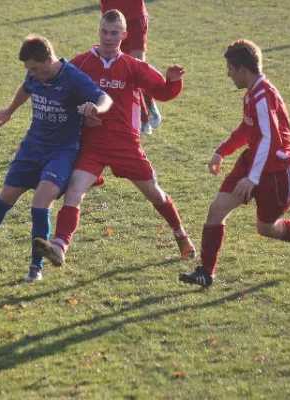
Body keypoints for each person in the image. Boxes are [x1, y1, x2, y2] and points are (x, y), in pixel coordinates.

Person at [33, 10, 196, 268]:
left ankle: (181, 235)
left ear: (124, 35)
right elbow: (61, 98)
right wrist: (81, 115)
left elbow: (163, 91)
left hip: (126, 146)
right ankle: (60, 245)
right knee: (75, 190)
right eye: (104, 32)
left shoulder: (133, 67)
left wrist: (174, 81)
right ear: (99, 31)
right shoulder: (81, 64)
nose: (108, 38)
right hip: (93, 146)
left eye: (114, 33)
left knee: (154, 193)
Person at [179, 39, 290, 288]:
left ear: (242, 70)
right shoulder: (252, 94)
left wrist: (253, 178)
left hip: (278, 173)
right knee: (216, 209)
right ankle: (206, 272)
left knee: (266, 228)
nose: (228, 74)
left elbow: (270, 140)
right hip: (253, 164)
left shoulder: (262, 97)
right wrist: (221, 151)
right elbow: (247, 130)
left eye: (230, 68)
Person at [0, 35, 112, 282]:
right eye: (28, 69)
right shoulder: (34, 76)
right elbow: (25, 89)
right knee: (4, 198)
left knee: (40, 203)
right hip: (32, 148)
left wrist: (95, 108)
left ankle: (36, 267)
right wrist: (9, 111)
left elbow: (103, 97)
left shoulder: (72, 78)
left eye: (34, 68)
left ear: (48, 60)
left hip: (61, 153)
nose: (31, 73)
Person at [100, 0, 161, 135]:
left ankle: (144, 116)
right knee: (117, 65)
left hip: (134, 16)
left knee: (136, 68)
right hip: (111, 17)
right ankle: (146, 107)